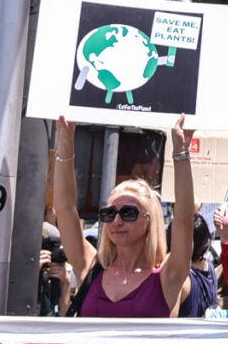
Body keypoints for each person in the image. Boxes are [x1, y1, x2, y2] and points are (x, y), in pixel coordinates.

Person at [51, 116, 197, 320]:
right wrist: (65, 143)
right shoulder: (91, 267)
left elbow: (184, 216)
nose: (116, 221)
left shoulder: (168, 275)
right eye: (109, 214)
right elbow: (65, 208)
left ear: (150, 219)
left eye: (129, 213)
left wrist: (181, 151)